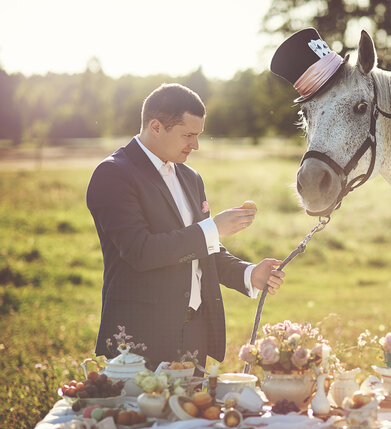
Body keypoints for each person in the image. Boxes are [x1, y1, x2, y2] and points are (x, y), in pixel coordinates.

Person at [86, 83, 285, 369]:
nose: (195, 145)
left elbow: (202, 248)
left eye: (198, 135)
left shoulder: (191, 178)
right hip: (139, 337)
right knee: (140, 415)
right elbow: (140, 251)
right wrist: (213, 229)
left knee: (194, 413)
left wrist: (249, 273)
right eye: (188, 135)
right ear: (155, 126)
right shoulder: (114, 174)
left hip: (195, 334)